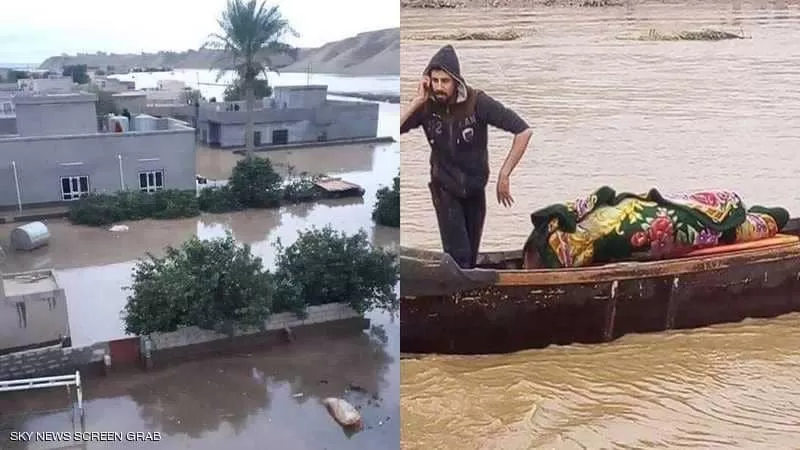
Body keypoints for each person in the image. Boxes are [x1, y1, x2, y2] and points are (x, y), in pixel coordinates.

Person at [401, 44, 533, 269]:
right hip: (445, 190)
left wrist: (504, 174)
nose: (439, 87)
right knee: (458, 257)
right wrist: (416, 102)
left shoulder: (476, 102)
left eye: (445, 81)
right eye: (435, 81)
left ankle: (468, 295)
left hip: (474, 190)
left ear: (457, 81)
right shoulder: (427, 107)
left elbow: (523, 131)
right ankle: (454, 299)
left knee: (470, 258)